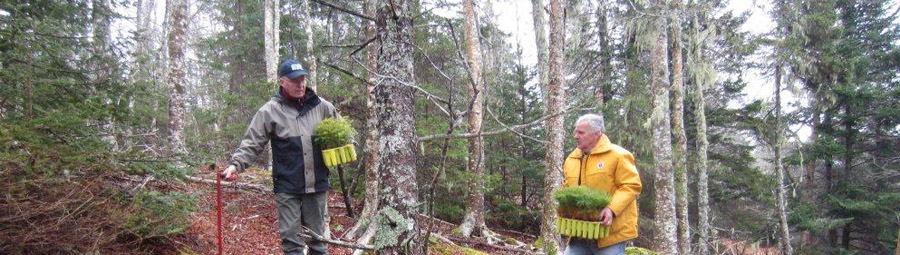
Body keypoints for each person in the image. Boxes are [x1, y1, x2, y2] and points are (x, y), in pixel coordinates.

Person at [221, 59, 337, 255]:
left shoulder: (322, 107)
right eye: (295, 81)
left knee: (318, 242)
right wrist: (235, 165)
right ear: (282, 82)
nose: (301, 84)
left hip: (316, 184)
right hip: (287, 186)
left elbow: (343, 133)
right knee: (292, 244)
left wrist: (347, 145)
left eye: (303, 79)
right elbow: (253, 142)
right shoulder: (270, 110)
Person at [562, 114, 642, 255]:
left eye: (581, 132)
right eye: (575, 132)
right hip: (579, 233)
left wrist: (611, 209)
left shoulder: (618, 155)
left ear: (596, 134)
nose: (576, 136)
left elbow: (631, 185)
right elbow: (567, 188)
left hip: (610, 235)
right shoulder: (571, 159)